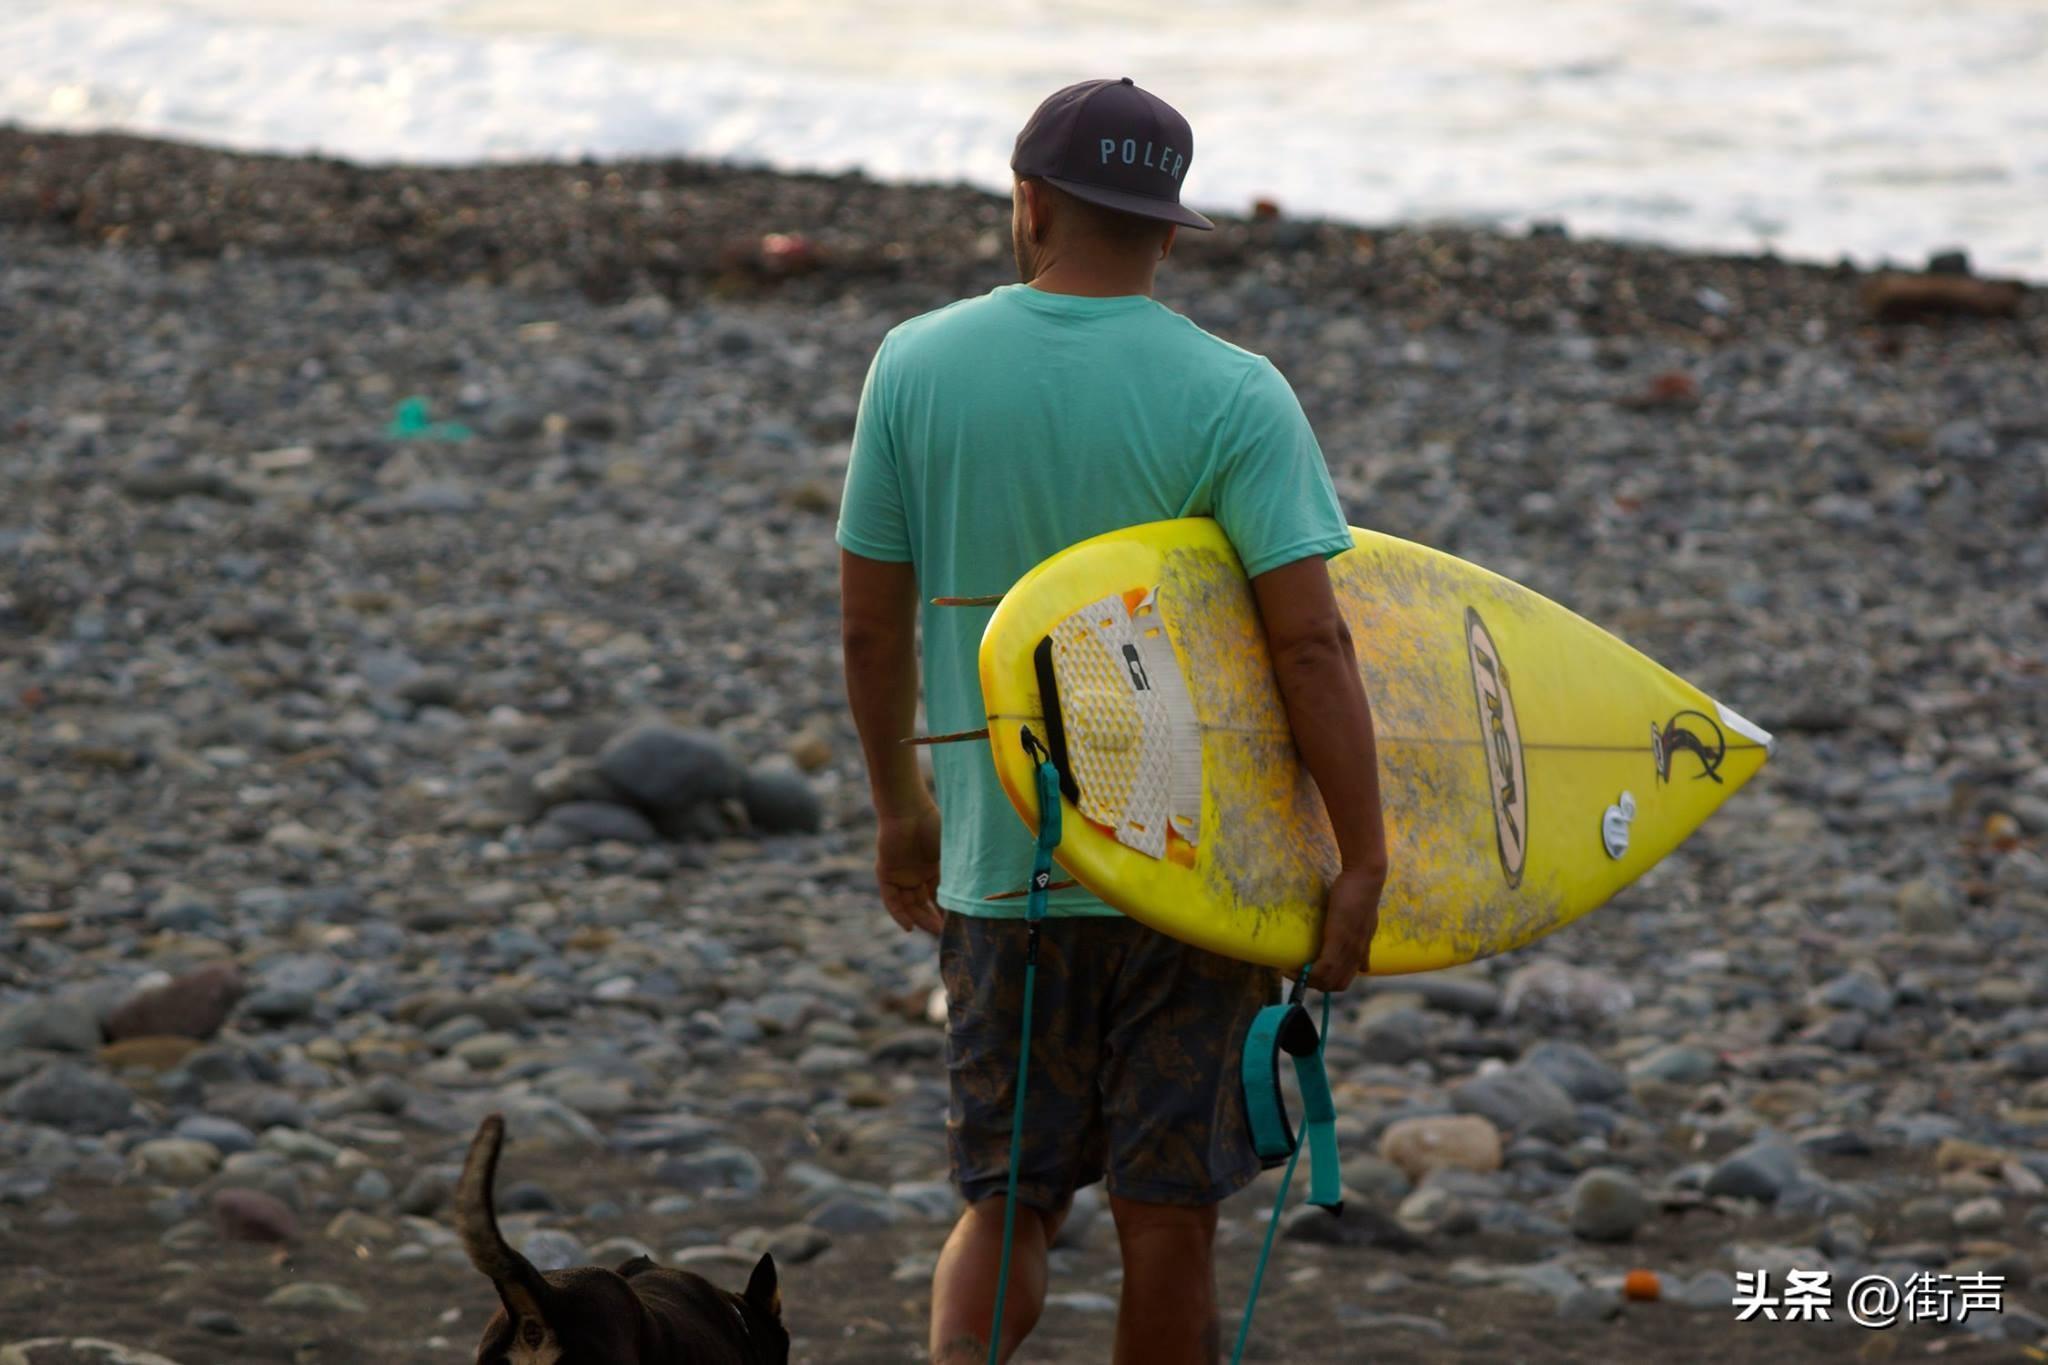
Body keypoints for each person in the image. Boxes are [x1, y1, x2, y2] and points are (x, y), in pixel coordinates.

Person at [837, 77, 1388, 1365]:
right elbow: (1310, 642)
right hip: (1189, 881)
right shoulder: (1238, 394)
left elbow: (871, 626)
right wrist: (1360, 859)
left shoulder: (915, 365)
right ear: (1167, 228)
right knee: (1167, 1216)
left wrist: (899, 811)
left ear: (1029, 204)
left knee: (1007, 1200)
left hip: (998, 868)